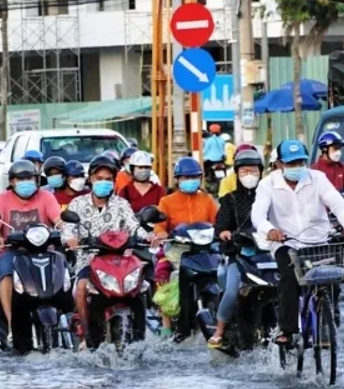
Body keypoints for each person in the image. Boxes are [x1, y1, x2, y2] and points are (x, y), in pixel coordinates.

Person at [251, 140, 344, 345]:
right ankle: (288, 329)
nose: (296, 167)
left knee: (333, 277)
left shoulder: (318, 178)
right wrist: (270, 230)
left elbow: (337, 203)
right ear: (280, 164)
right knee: (289, 277)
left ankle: (328, 321)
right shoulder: (268, 184)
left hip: (319, 239)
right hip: (286, 242)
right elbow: (258, 214)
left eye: (300, 162)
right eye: (290, 164)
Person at [67, 154, 147, 342]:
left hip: (121, 261)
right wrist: (70, 238)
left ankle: (141, 332)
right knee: (81, 287)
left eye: (109, 180)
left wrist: (149, 236)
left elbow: (134, 226)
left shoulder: (121, 204)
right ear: (91, 179)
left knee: (142, 285)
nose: (104, 183)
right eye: (99, 179)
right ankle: (87, 335)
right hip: (89, 261)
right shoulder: (77, 203)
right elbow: (67, 227)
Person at [0, 160, 65, 341]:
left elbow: (58, 219)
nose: (25, 182)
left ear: (37, 179)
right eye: (20, 178)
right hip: (12, 251)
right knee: (5, 276)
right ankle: (12, 326)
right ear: (12, 181)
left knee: (65, 273)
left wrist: (66, 231)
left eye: (29, 178)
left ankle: (69, 320)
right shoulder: (1, 199)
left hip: (45, 250)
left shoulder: (46, 197)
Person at [152, 157, 218, 341]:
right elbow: (159, 226)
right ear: (178, 179)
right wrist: (162, 233)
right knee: (164, 273)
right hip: (177, 249)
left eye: (194, 177)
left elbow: (218, 222)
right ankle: (166, 324)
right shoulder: (166, 201)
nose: (190, 181)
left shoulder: (207, 199)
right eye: (185, 177)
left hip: (204, 248)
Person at [208, 149, 264, 349]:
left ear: (261, 172)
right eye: (244, 171)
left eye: (253, 171)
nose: (249, 175)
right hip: (240, 255)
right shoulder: (230, 199)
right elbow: (221, 224)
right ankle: (220, 329)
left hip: (268, 256)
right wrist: (224, 233)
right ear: (237, 174)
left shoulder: (270, 197)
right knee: (232, 291)